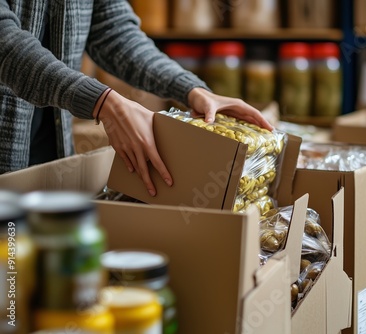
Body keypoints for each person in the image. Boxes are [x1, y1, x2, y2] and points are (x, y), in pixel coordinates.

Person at [0, 0, 272, 196]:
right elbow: (6, 44)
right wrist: (102, 102)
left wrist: (190, 89)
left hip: (50, 161)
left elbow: (113, 32)